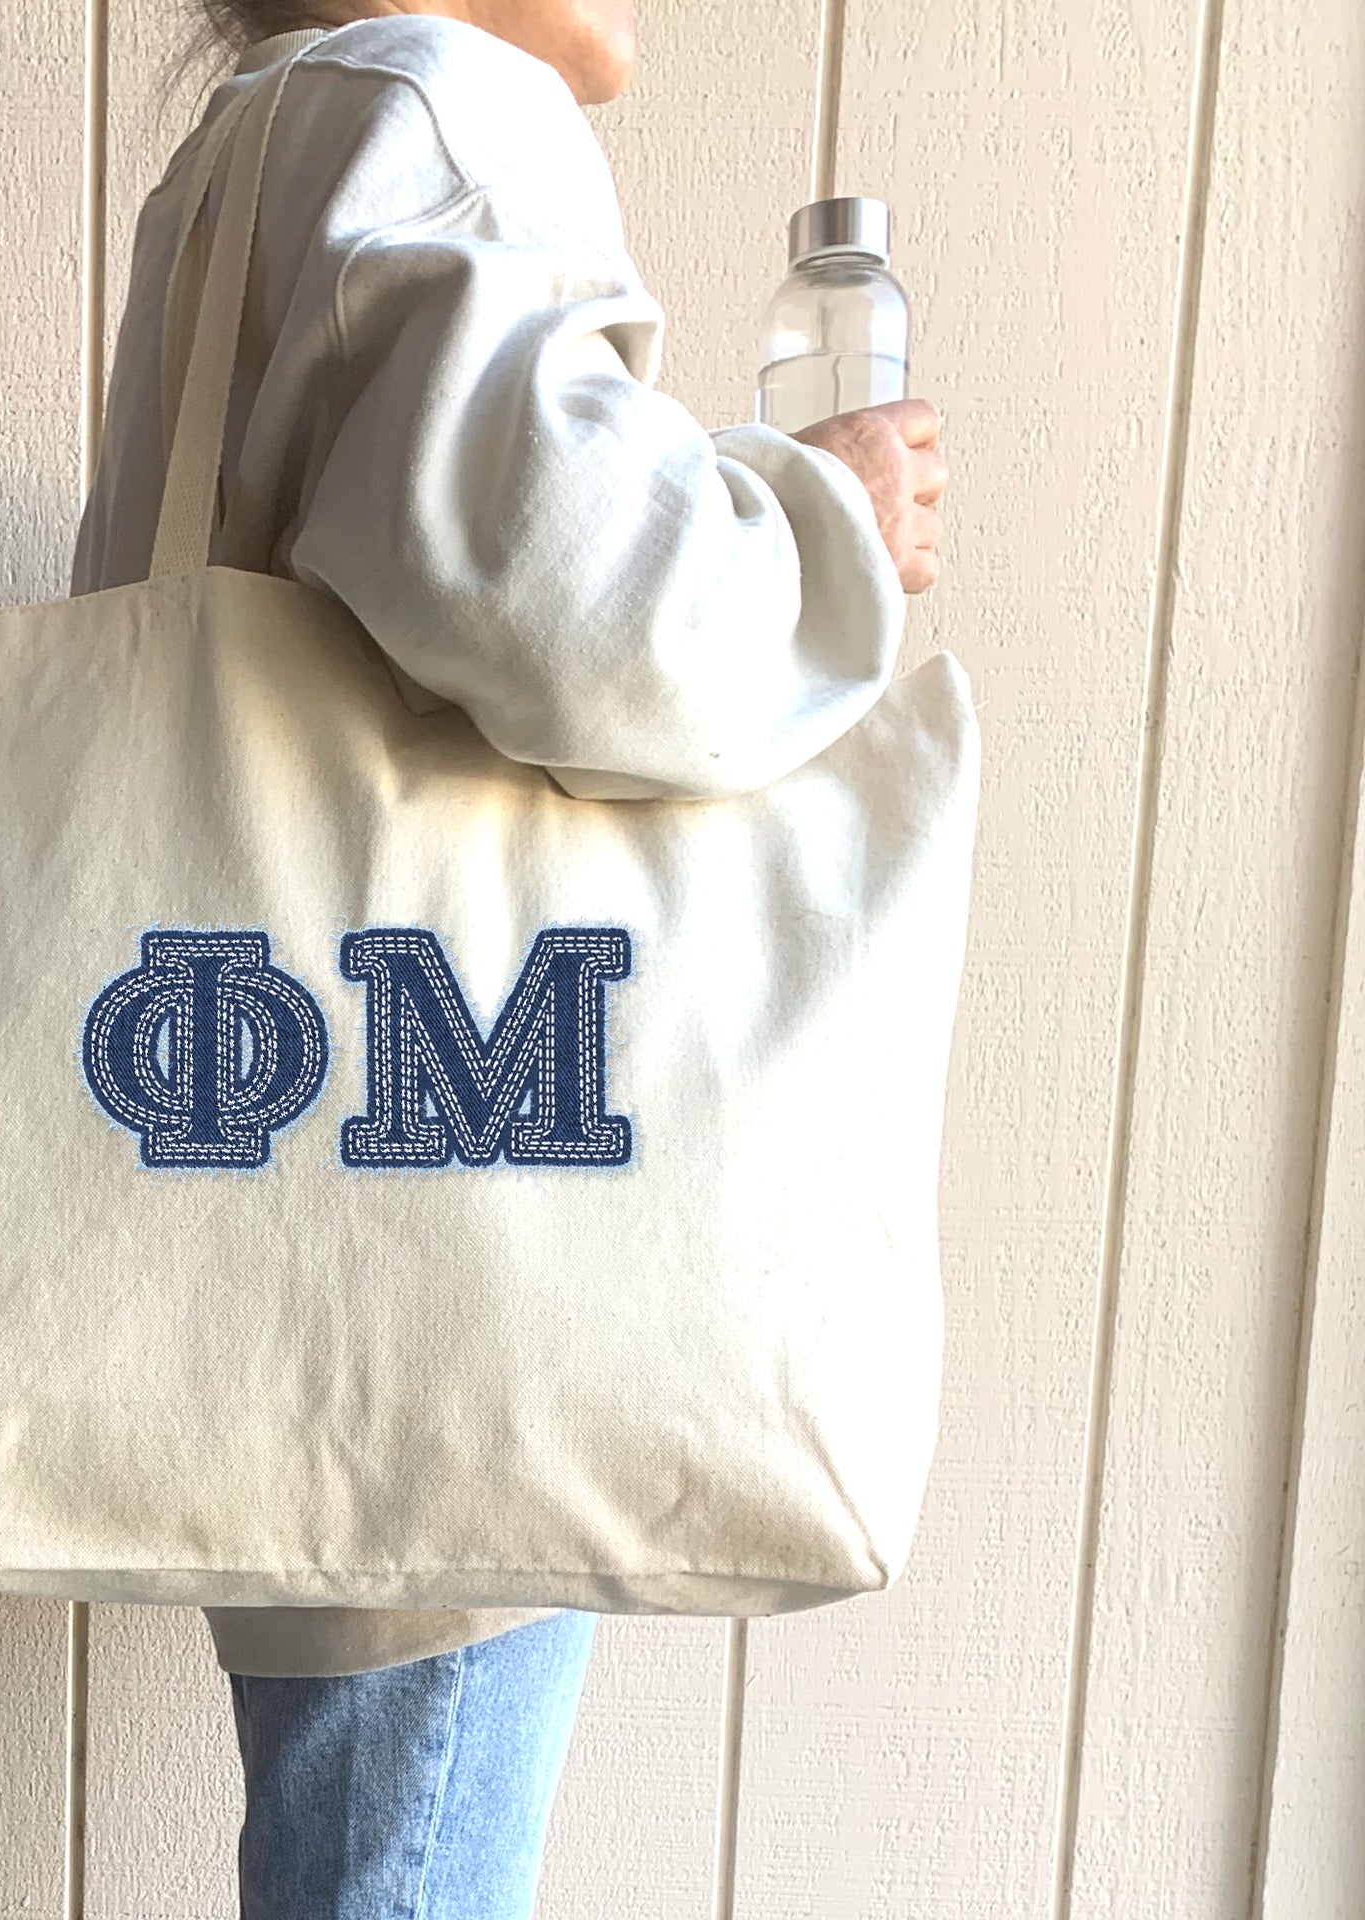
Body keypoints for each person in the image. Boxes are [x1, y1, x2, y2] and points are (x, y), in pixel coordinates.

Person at [71, 4, 947, 1913]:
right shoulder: (443, 107)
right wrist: (830, 526)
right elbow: (588, 615)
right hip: (457, 1225)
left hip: (299, 1186)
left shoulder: (259, 140)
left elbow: (442, 543)